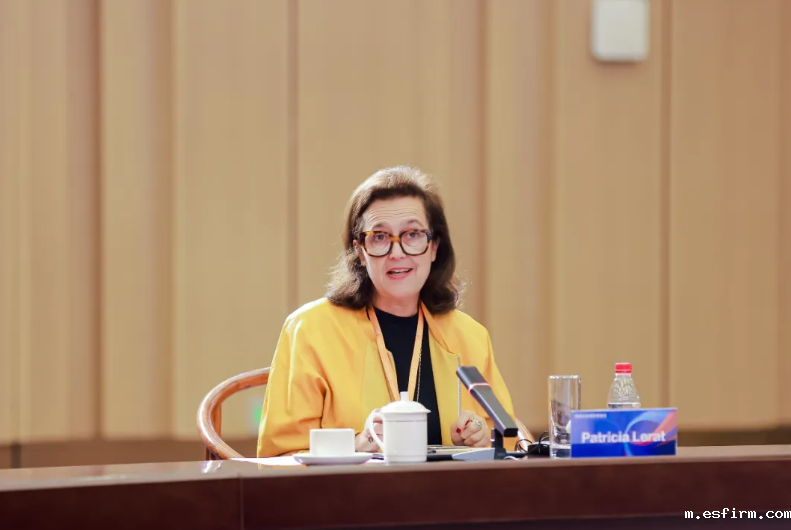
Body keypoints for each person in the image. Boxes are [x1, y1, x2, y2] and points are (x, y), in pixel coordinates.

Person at [257, 166, 526, 457]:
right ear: (360, 252)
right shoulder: (310, 330)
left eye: (412, 234)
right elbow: (279, 455)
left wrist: (482, 438)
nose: (397, 253)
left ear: (434, 247)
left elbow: (509, 443)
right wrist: (355, 446)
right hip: (352, 487)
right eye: (380, 237)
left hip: (448, 487)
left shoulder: (469, 336)